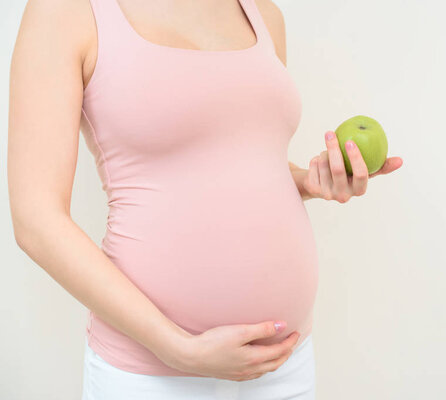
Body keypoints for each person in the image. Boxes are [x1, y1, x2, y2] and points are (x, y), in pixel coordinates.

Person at [7, 0, 403, 398]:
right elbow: (36, 220)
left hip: (284, 366)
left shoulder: (263, 14)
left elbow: (239, 156)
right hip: (152, 375)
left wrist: (308, 181)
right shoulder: (65, 11)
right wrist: (175, 347)